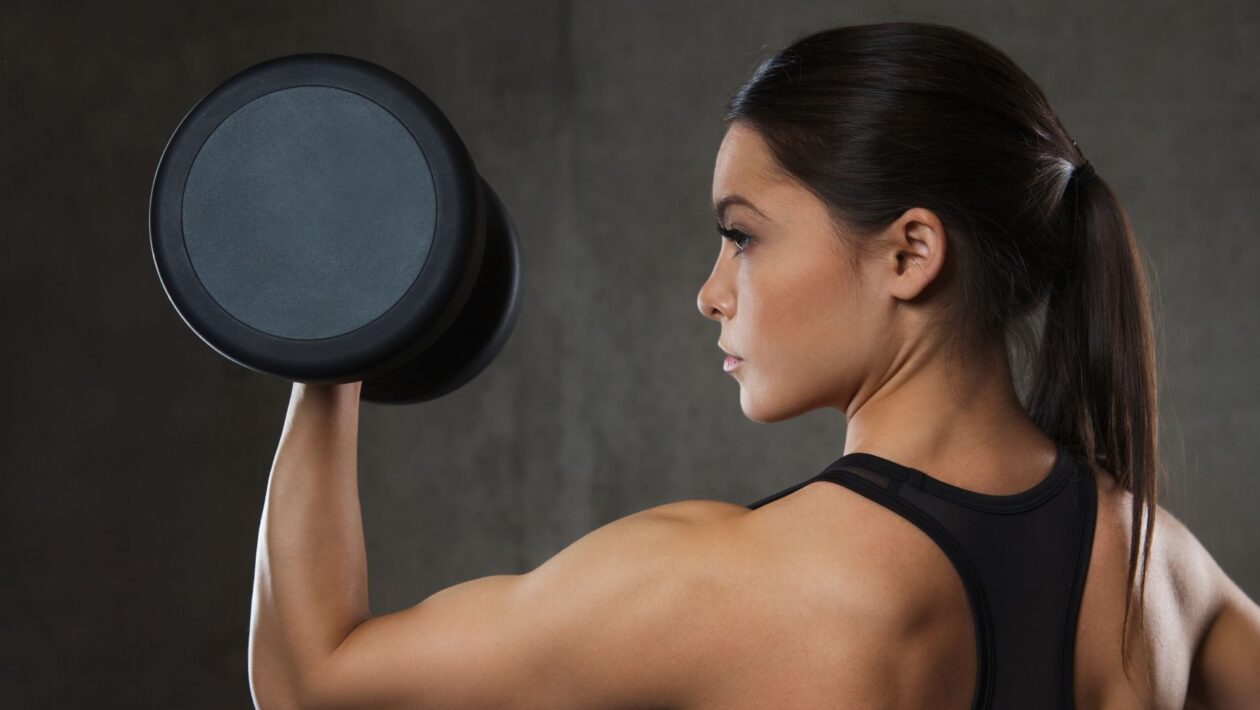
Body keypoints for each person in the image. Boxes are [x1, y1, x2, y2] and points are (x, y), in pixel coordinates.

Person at [248, 21, 1259, 710]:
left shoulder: (730, 581)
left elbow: (312, 678)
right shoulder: (1154, 562)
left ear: (910, 252)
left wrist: (332, 333)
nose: (712, 290)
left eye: (743, 235)